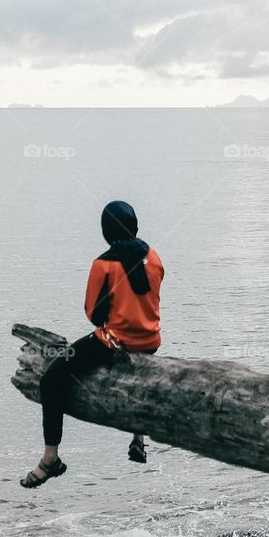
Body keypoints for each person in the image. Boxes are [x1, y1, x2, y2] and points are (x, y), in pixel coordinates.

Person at [20, 200, 164, 487]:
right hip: (150, 341)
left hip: (115, 342)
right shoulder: (155, 257)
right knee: (137, 380)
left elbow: (93, 314)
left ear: (106, 231)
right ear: (135, 226)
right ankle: (138, 437)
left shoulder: (103, 264)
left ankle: (50, 459)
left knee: (52, 379)